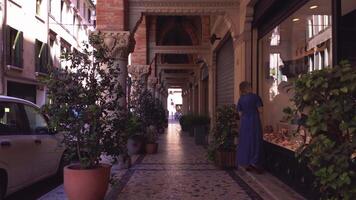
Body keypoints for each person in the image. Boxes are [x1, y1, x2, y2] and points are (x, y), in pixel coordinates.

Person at [236, 81, 264, 174]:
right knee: (255, 140)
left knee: (245, 141)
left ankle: (246, 163)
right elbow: (261, 110)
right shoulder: (255, 97)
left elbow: (240, 113)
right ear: (249, 88)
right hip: (254, 121)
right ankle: (254, 162)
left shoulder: (240, 99)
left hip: (244, 122)